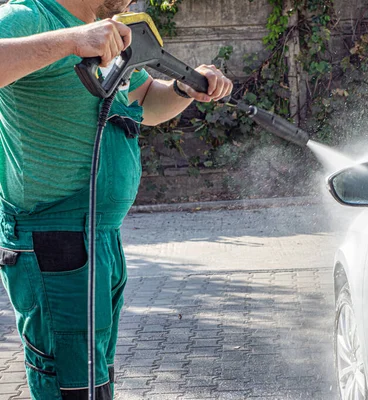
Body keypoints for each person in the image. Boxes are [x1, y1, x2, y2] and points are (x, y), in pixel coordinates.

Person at [0, 0, 233, 397]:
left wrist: (182, 89)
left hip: (101, 241)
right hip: (53, 243)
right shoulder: (27, 17)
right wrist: (73, 40)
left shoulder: (110, 34)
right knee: (70, 386)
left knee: (94, 381)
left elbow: (144, 101)